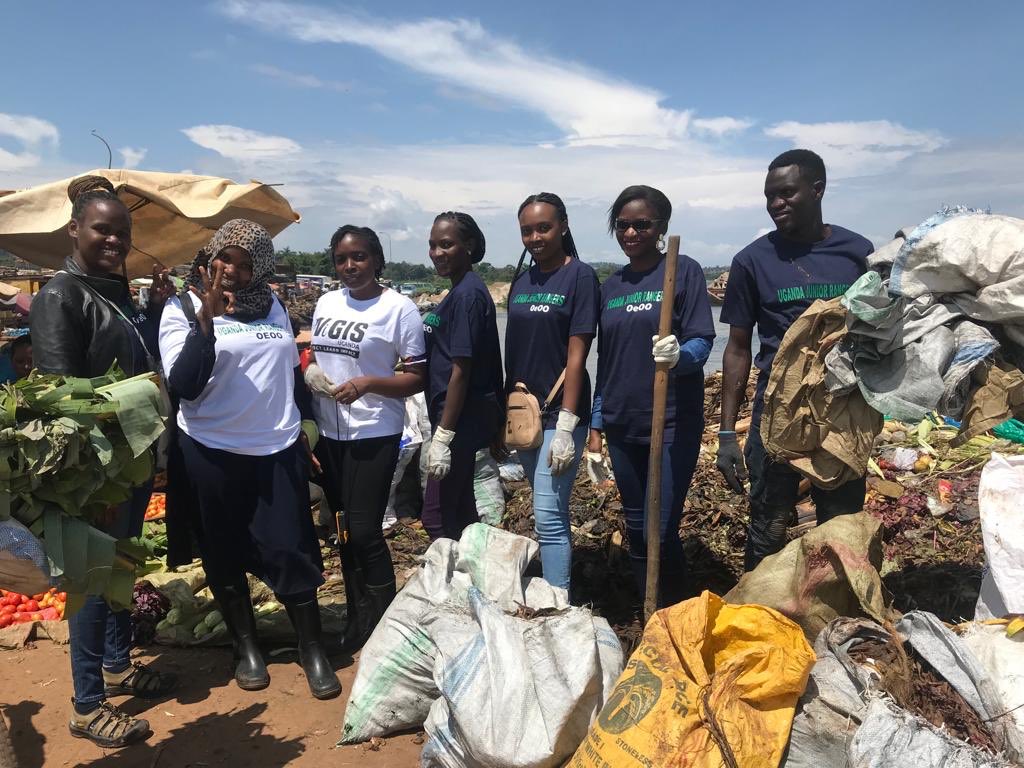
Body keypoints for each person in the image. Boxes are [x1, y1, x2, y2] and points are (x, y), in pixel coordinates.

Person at [159, 219, 340, 700]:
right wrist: (207, 324)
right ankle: (248, 648)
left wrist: (303, 428)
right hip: (210, 450)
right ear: (208, 258)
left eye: (245, 262)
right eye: (225, 258)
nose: (233, 270)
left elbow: (287, 372)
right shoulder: (181, 308)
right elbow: (184, 385)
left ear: (259, 267)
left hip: (275, 447)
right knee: (222, 550)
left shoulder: (274, 304)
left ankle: (312, 648)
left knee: (290, 550)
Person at [30, 175, 177, 749]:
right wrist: (102, 480)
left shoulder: (115, 293)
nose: (114, 240)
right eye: (102, 229)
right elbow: (61, 399)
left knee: (119, 569)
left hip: (131, 465)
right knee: (92, 579)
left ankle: (118, 669)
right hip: (95, 473)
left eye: (122, 232)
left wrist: (158, 309)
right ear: (74, 229)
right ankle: (88, 705)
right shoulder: (60, 296)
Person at [716, 149, 873, 571]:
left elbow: (880, 333)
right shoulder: (752, 260)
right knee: (767, 525)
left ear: (818, 189)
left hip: (842, 411)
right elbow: (736, 348)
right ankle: (758, 617)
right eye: (770, 196)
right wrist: (727, 433)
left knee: (841, 526)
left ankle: (837, 617)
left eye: (786, 193)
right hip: (778, 413)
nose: (775, 204)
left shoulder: (857, 253)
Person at [587, 185, 714, 607]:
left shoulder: (683, 271)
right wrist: (597, 425)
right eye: (622, 225)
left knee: (662, 528)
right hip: (624, 423)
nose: (631, 232)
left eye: (642, 224)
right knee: (637, 527)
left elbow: (701, 340)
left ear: (661, 227)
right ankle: (649, 613)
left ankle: (676, 612)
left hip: (672, 421)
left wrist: (681, 356)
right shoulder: (612, 286)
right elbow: (607, 362)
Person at [304, 225, 426, 651]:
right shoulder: (325, 302)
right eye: (341, 258)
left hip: (374, 430)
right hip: (330, 432)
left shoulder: (399, 309)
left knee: (366, 529)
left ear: (376, 259)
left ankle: (388, 626)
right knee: (342, 530)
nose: (350, 266)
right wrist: (312, 374)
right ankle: (357, 617)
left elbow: (416, 377)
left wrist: (370, 383)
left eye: (359, 257)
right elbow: (317, 355)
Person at [504, 193, 599, 591]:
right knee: (549, 508)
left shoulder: (580, 277)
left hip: (561, 411)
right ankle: (554, 590)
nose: (535, 237)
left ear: (563, 226)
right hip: (523, 411)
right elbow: (513, 350)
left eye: (544, 227)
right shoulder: (521, 280)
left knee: (548, 515)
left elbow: (578, 355)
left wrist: (567, 425)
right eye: (527, 230)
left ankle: (557, 603)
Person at [422, 212, 503, 540]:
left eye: (446, 245)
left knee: (435, 516)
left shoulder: (468, 294)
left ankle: (447, 585)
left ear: (468, 246)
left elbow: (461, 368)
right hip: (456, 420)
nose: (437, 253)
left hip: (458, 422)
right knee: (462, 508)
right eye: (432, 246)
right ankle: (472, 578)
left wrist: (444, 436)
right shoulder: (458, 291)